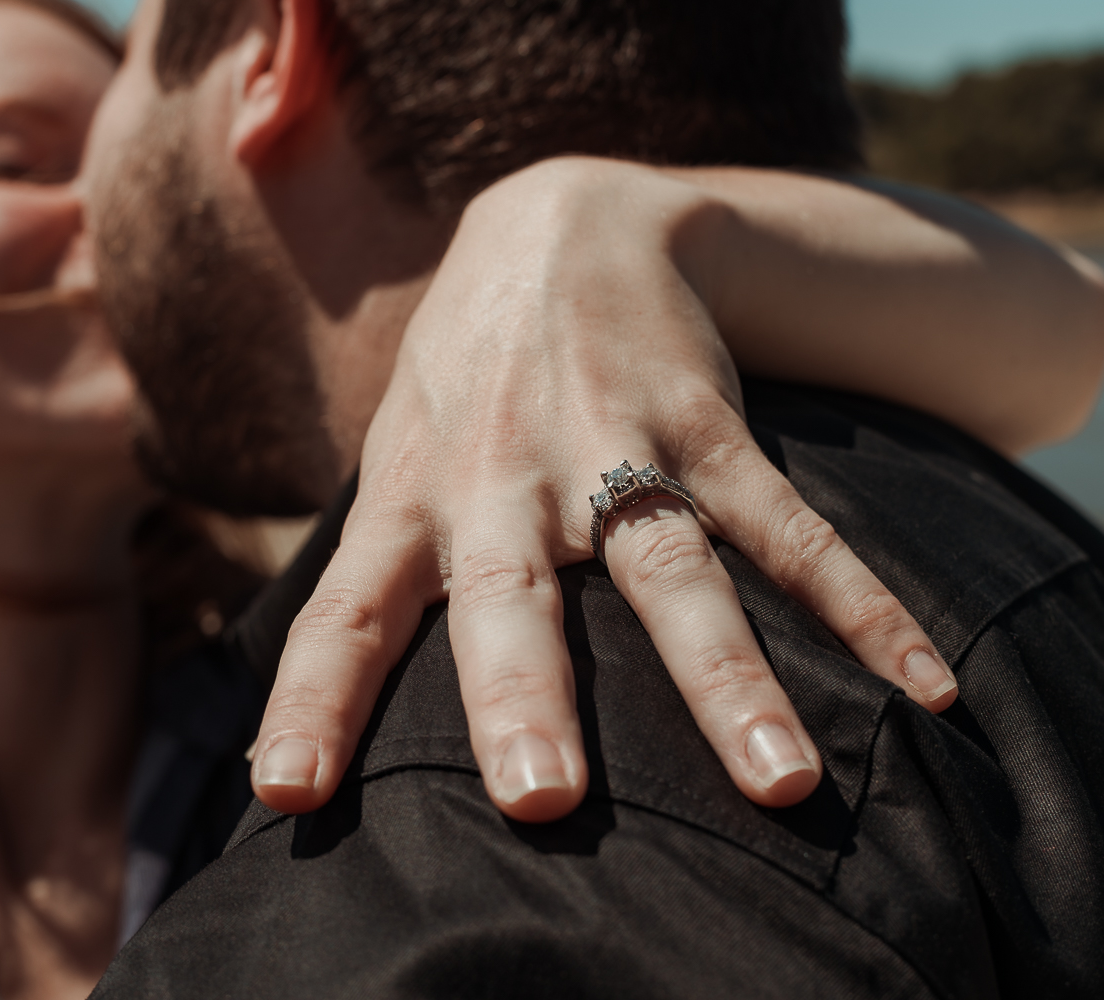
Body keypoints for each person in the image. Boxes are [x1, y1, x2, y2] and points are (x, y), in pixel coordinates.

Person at [0, 1, 1097, 999]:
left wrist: (600, 220)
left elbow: (1071, 330)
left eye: (104, 131)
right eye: (10, 162)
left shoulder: (314, 721)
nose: (105, 213)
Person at [80, 0, 1104, 995]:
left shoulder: (439, 848)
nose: (72, 211)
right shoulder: (952, 475)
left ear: (269, 49)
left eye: (122, 60)